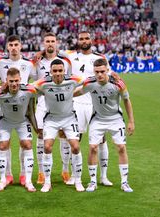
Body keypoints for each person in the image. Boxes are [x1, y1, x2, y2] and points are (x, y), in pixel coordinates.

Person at [59, 31, 112, 186]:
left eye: (86, 38)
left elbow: (109, 78)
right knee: (75, 140)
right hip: (76, 103)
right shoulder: (70, 56)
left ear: (91, 40)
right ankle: (76, 176)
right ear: (78, 40)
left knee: (101, 140)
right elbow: (53, 48)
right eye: (81, 38)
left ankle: (103, 176)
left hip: (95, 104)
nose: (84, 41)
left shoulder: (100, 58)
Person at [75, 59, 134, 192]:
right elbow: (79, 92)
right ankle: (93, 182)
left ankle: (125, 182)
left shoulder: (118, 84)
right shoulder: (90, 83)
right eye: (97, 72)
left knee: (121, 148)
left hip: (116, 119)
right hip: (98, 119)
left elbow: (126, 100)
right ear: (94, 72)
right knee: (93, 148)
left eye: (102, 71)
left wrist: (131, 121)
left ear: (107, 70)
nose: (100, 75)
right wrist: (64, 97)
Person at [33, 59, 84, 192]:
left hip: (69, 118)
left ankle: (78, 180)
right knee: (47, 146)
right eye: (54, 71)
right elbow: (30, 87)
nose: (57, 73)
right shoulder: (43, 83)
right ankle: (47, 182)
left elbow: (90, 80)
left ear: (64, 71)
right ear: (50, 71)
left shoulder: (73, 80)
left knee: (76, 146)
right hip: (51, 119)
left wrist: (111, 76)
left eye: (60, 70)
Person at [0, 35, 36, 186]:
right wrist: (1, 87)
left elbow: (35, 80)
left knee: (26, 143)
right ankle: (7, 175)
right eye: (11, 45)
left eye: (16, 44)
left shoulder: (28, 64)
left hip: (24, 102)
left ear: (21, 45)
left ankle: (24, 175)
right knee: (4, 144)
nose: (14, 47)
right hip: (6, 103)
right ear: (7, 47)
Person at [33, 32, 72, 184]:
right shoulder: (37, 61)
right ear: (44, 44)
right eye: (47, 41)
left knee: (63, 135)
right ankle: (41, 172)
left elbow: (69, 80)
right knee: (41, 135)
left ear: (57, 43)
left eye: (52, 41)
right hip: (43, 102)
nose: (50, 44)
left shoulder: (65, 61)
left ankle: (65, 170)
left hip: (61, 102)